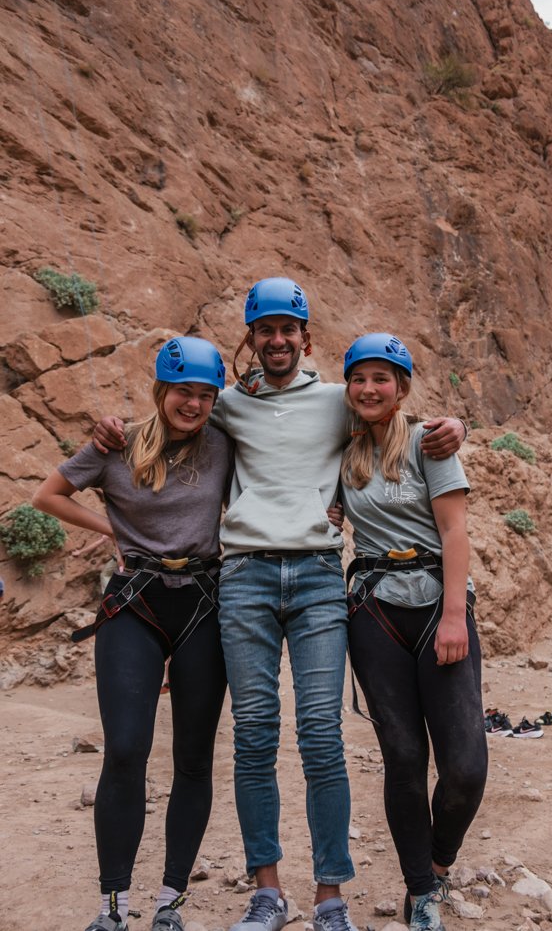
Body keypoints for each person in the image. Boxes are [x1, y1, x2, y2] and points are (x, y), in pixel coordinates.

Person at [93, 279, 467, 931]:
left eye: (286, 329)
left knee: (322, 736)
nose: (276, 340)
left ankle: (330, 897)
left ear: (305, 338)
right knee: (255, 737)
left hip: (322, 579)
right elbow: (168, 418)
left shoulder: (337, 401)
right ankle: (267, 891)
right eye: (263, 330)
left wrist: (458, 424)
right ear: (251, 339)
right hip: (244, 580)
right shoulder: (228, 404)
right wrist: (107, 432)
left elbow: (394, 412)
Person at [33, 337, 233, 931]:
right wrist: (112, 528)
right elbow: (47, 495)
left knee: (194, 759)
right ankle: (112, 906)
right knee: (125, 749)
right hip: (136, 603)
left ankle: (170, 902)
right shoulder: (116, 445)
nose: (193, 404)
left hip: (203, 602)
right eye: (183, 392)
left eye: (204, 394)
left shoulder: (225, 445)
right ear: (161, 390)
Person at [340, 334, 487, 931]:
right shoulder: (341, 453)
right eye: (360, 378)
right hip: (374, 610)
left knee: (465, 768)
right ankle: (421, 890)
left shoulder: (431, 442)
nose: (370, 388)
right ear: (348, 388)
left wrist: (455, 614)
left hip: (437, 605)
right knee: (403, 758)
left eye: (383, 378)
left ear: (401, 388)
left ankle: (439, 858)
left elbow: (455, 532)